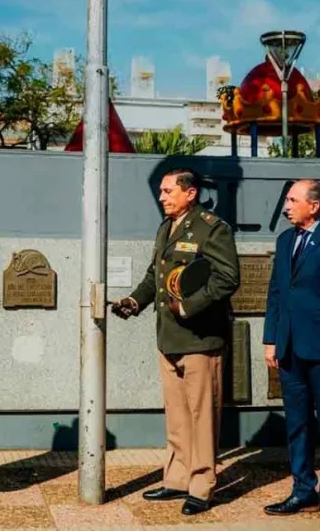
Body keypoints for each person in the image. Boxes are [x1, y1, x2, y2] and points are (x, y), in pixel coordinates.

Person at [111, 169, 239, 515]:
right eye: (162, 192)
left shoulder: (212, 228)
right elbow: (155, 276)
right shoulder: (166, 227)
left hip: (200, 337)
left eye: (169, 191)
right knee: (178, 416)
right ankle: (177, 479)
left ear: (191, 193)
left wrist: (187, 306)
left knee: (203, 416)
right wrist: (134, 302)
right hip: (168, 338)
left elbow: (228, 278)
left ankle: (201, 485)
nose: (162, 197)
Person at [263, 179, 320, 530]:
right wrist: (270, 338)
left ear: (314, 206)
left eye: (292, 200)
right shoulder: (285, 240)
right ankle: (303, 489)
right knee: (298, 423)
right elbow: (276, 292)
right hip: (289, 349)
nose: (286, 206)